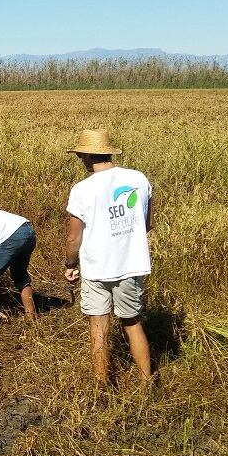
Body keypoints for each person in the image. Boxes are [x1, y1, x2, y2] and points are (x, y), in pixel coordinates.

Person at [63, 129, 154, 383]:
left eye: (80, 155)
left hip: (96, 268)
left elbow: (73, 238)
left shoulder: (82, 189)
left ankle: (102, 386)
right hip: (131, 264)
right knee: (132, 321)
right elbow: (146, 224)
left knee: (99, 326)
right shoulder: (138, 178)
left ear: (86, 155)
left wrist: (70, 264)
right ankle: (147, 381)